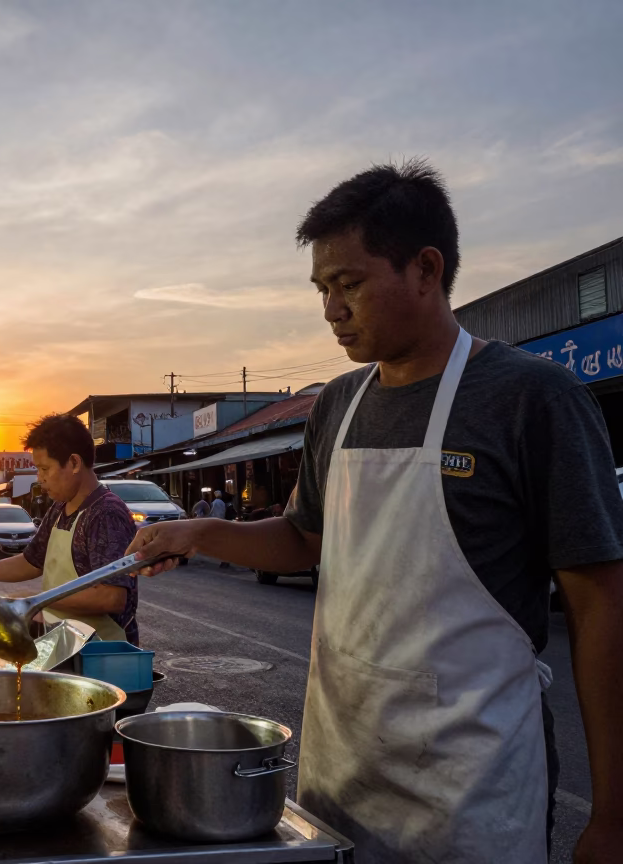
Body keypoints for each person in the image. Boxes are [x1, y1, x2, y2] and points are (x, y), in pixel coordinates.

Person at [129, 160, 623, 863]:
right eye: (322, 288)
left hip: (473, 789)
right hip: (343, 770)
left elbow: (601, 608)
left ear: (426, 270)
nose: (331, 309)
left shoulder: (533, 399)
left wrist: (613, 814)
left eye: (349, 284)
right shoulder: (337, 403)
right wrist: (202, 530)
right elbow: (305, 539)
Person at [0, 415, 138, 644]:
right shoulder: (59, 508)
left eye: (45, 468)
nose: (40, 478)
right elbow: (31, 561)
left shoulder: (106, 513)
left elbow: (111, 597)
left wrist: (37, 599)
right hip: (65, 643)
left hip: (103, 653)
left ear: (75, 463)